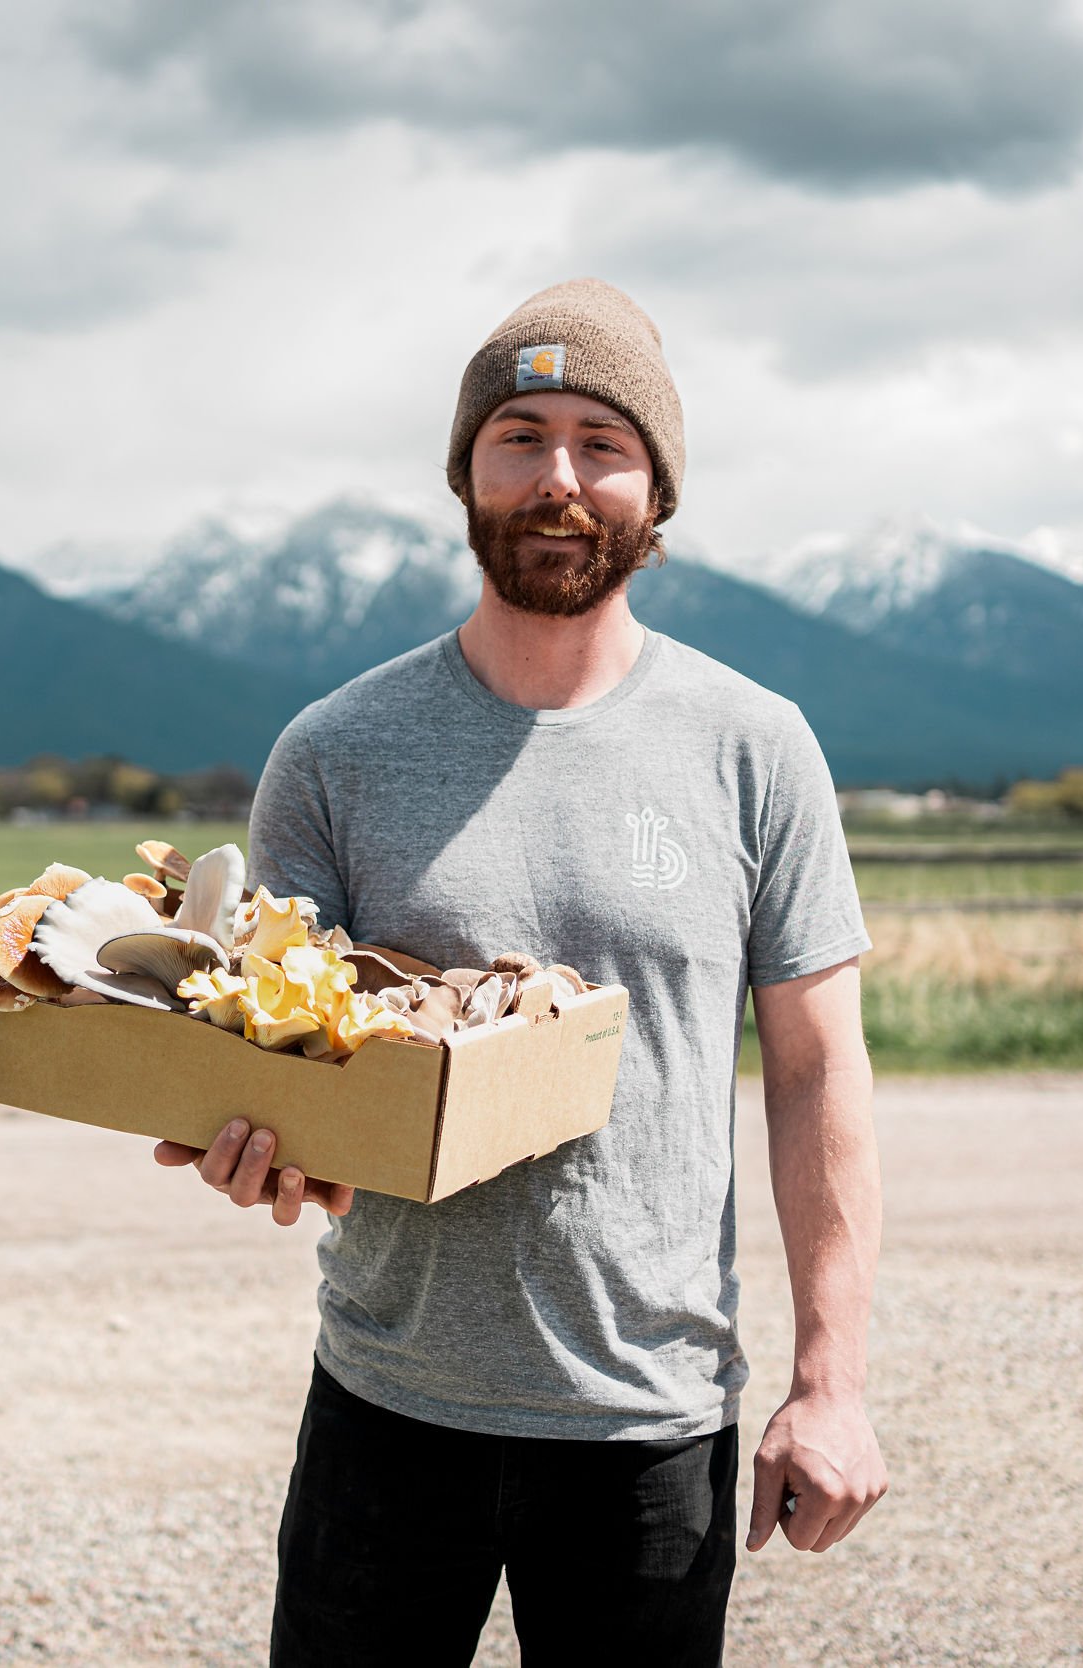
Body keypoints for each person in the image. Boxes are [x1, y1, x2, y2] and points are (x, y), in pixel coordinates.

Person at [152, 278, 888, 1665]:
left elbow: (815, 1068)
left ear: (657, 491)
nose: (560, 478)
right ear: (465, 474)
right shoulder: (334, 751)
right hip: (387, 1401)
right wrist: (261, 1144)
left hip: (649, 1425)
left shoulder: (756, 747)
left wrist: (830, 1383)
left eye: (603, 444)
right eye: (521, 435)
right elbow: (277, 1050)